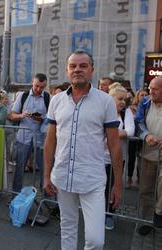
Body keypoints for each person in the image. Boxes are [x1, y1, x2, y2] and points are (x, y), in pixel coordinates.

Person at [44, 50, 122, 250]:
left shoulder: (105, 101)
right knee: (67, 228)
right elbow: (50, 140)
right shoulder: (57, 100)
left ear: (92, 70)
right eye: (73, 66)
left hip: (92, 179)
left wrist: (118, 185)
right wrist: (46, 175)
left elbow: (114, 145)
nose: (77, 69)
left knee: (96, 240)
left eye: (83, 65)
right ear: (67, 70)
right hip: (62, 176)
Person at [9, 73, 50, 193]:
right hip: (23, 138)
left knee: (44, 170)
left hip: (41, 139)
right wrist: (21, 115)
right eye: (37, 86)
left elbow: (51, 118)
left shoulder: (48, 98)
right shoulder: (22, 96)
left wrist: (41, 119)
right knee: (19, 168)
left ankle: (46, 199)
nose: (38, 89)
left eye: (42, 87)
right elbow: (12, 115)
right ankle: (15, 195)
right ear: (32, 82)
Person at [104, 83, 135, 230]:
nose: (123, 102)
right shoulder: (102, 110)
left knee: (113, 187)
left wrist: (108, 134)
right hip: (99, 157)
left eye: (125, 99)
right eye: (120, 99)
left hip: (117, 159)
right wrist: (117, 133)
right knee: (98, 188)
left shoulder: (126, 113)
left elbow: (130, 131)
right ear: (111, 99)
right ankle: (97, 213)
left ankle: (109, 214)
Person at [136, 75, 162, 235]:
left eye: (155, 89)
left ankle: (159, 214)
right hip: (148, 155)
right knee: (145, 189)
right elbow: (138, 122)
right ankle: (146, 220)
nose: (150, 91)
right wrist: (146, 135)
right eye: (150, 88)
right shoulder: (145, 103)